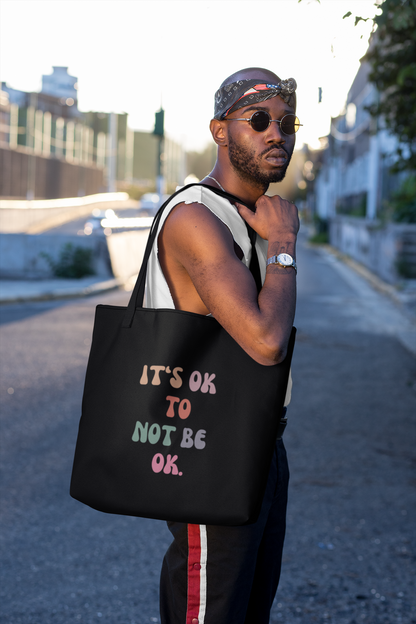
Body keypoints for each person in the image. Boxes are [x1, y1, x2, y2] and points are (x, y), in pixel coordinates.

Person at [145, 67, 300, 624]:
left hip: (261, 444)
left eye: (286, 122)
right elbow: (265, 342)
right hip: (207, 449)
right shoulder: (195, 217)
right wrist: (283, 243)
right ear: (220, 130)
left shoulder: (247, 219)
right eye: (258, 120)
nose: (275, 133)